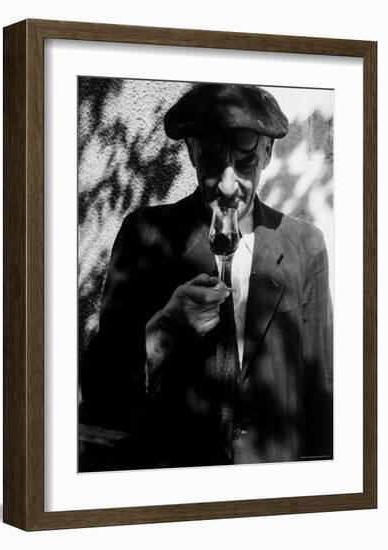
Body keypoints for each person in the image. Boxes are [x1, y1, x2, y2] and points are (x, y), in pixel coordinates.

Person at [80, 83, 333, 471]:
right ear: (191, 152)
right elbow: (102, 393)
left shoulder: (305, 245)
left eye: (245, 163)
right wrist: (164, 329)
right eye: (213, 163)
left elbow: (320, 393)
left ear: (267, 153)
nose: (228, 186)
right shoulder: (144, 236)